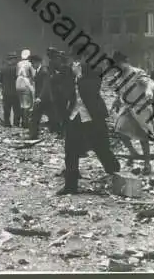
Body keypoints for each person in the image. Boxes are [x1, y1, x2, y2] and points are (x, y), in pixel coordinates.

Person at [56, 45, 120, 195]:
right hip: (74, 116)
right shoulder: (69, 71)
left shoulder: (95, 71)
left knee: (101, 147)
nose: (76, 62)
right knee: (70, 151)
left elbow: (91, 91)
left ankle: (114, 172)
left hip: (93, 116)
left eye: (79, 59)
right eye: (74, 59)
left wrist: (79, 76)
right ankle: (70, 186)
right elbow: (64, 91)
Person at [110, 51, 154, 175]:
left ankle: (147, 163)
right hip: (127, 107)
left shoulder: (137, 73)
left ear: (125, 62)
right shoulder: (118, 76)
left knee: (143, 136)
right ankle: (132, 152)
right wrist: (116, 101)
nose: (119, 67)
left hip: (141, 107)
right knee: (119, 129)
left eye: (120, 64)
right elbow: (120, 92)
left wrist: (148, 91)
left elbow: (150, 83)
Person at [28, 54, 57, 139]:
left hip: (44, 98)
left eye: (33, 63)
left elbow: (46, 86)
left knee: (35, 117)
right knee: (51, 116)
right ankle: (58, 132)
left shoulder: (43, 71)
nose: (32, 65)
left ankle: (33, 135)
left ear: (37, 62)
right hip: (45, 98)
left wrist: (39, 97)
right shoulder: (40, 70)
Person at [0, 52, 21, 127]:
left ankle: (7, 124)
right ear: (12, 59)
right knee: (17, 109)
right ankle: (16, 123)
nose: (16, 60)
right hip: (15, 92)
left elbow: (1, 80)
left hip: (6, 92)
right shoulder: (16, 68)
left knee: (6, 110)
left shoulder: (3, 68)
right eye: (15, 59)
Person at [16, 49, 35, 128]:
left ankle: (21, 121)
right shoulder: (30, 64)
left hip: (18, 83)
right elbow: (33, 75)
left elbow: (17, 74)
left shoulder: (18, 64)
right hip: (26, 82)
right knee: (27, 104)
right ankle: (25, 123)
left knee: (21, 103)